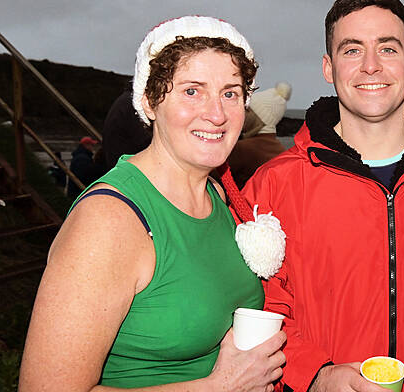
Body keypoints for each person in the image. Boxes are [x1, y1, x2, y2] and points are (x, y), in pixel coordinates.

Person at [19, 16, 286, 391]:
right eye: (192, 91)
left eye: (231, 92)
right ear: (148, 100)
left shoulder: (219, 196)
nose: (217, 113)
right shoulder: (109, 220)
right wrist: (218, 386)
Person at [238, 1, 404, 391]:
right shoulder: (275, 184)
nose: (371, 66)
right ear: (328, 68)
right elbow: (255, 304)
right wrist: (316, 374)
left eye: (387, 48)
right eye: (352, 50)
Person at [227, 82, 291, 189]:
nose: (242, 115)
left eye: (247, 111)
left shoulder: (243, 149)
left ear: (260, 118)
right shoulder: (282, 152)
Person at [101, 87, 153, 170]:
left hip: (118, 165)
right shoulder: (134, 104)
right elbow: (145, 141)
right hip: (127, 168)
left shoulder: (124, 101)